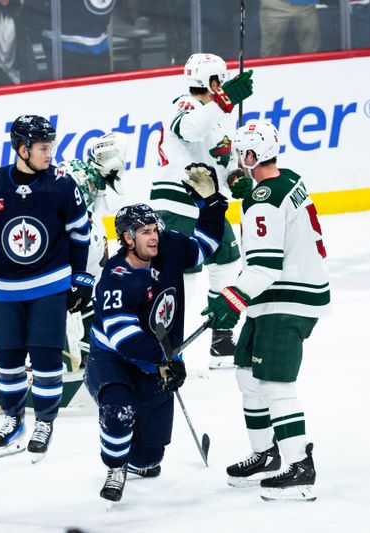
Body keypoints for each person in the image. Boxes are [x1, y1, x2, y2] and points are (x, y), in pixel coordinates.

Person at [85, 163, 228, 502]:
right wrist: (167, 358)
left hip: (156, 358)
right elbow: (125, 339)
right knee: (118, 411)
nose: (153, 236)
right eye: (144, 231)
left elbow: (205, 245)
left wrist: (212, 205)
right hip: (113, 359)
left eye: (154, 228)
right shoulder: (116, 277)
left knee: (150, 460)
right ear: (127, 238)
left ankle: (136, 458)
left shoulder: (169, 246)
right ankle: (115, 466)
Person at [204, 121, 330, 502]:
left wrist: (231, 298)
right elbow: (266, 196)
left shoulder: (264, 199)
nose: (237, 163)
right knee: (246, 373)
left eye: (241, 156)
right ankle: (266, 453)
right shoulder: (287, 179)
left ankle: (299, 469)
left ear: (252, 156)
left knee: (276, 384)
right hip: (275, 297)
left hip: (286, 298)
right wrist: (247, 192)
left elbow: (264, 266)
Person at [0, 115, 92, 462]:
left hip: (50, 284)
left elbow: (82, 233)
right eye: (43, 148)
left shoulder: (63, 184)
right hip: (5, 288)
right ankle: (13, 418)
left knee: (46, 356)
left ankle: (45, 421)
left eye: (50, 146)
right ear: (22, 149)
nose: (50, 153)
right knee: (7, 359)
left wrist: (80, 277)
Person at [150, 52, 253, 368]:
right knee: (183, 277)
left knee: (227, 262)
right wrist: (223, 102)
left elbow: (222, 156)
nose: (224, 86)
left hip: (208, 203)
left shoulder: (220, 115)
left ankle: (221, 341)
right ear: (212, 82)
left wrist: (236, 176)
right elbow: (191, 130)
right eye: (220, 80)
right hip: (178, 202)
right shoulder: (184, 105)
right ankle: (161, 349)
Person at [58, 131, 129, 366]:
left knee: (97, 284)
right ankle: (61, 351)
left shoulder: (93, 178)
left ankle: (92, 348)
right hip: (63, 250)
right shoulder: (75, 174)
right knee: (65, 297)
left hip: (79, 248)